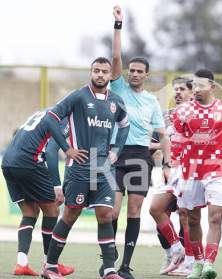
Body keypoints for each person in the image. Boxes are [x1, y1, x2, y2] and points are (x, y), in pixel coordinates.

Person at [41, 57, 130, 279]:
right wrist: (67, 149)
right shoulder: (78, 96)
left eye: (104, 71)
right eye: (96, 71)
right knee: (71, 214)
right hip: (79, 166)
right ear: (91, 73)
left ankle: (109, 270)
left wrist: (117, 150)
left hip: (104, 167)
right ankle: (50, 266)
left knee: (106, 215)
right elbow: (50, 118)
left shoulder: (116, 101)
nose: (100, 75)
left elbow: (125, 125)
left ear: (111, 75)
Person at [110, 6, 171, 279]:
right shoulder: (118, 87)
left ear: (147, 75)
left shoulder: (151, 101)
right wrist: (118, 25)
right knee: (112, 211)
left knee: (134, 209)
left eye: (138, 71)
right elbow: (114, 56)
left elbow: (163, 134)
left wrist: (167, 162)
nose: (133, 74)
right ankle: (108, 262)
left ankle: (125, 266)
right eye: (131, 70)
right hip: (115, 154)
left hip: (139, 157)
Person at [174, 69, 222, 279]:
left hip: (216, 170)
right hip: (190, 172)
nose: (196, 90)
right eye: (194, 86)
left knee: (215, 218)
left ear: (212, 87)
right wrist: (175, 168)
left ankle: (208, 264)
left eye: (200, 86)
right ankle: (197, 262)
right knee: (192, 219)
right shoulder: (183, 111)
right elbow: (177, 141)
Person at [1, 111, 80, 277]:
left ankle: (21, 263)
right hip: (28, 161)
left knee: (30, 212)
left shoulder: (43, 112)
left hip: (8, 161)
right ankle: (50, 264)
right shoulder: (64, 118)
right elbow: (51, 150)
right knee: (52, 211)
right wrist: (57, 186)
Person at [149, 77, 195, 276]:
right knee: (156, 210)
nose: (177, 92)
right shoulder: (165, 116)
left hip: (190, 172)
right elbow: (149, 143)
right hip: (170, 171)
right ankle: (174, 253)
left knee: (187, 217)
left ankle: (190, 262)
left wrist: (168, 145)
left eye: (182, 89)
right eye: (175, 89)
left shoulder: (197, 114)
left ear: (192, 94)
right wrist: (164, 152)